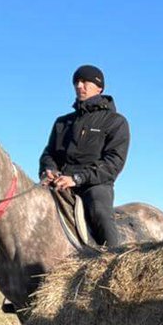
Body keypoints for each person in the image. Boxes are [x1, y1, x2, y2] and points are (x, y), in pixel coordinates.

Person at [40, 64, 130, 248]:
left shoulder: (115, 122)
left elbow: (113, 162)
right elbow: (49, 153)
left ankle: (113, 260)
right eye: (76, 82)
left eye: (85, 81)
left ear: (99, 87)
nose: (79, 86)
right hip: (60, 183)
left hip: (95, 185)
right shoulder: (62, 122)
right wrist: (48, 170)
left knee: (100, 212)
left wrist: (77, 178)